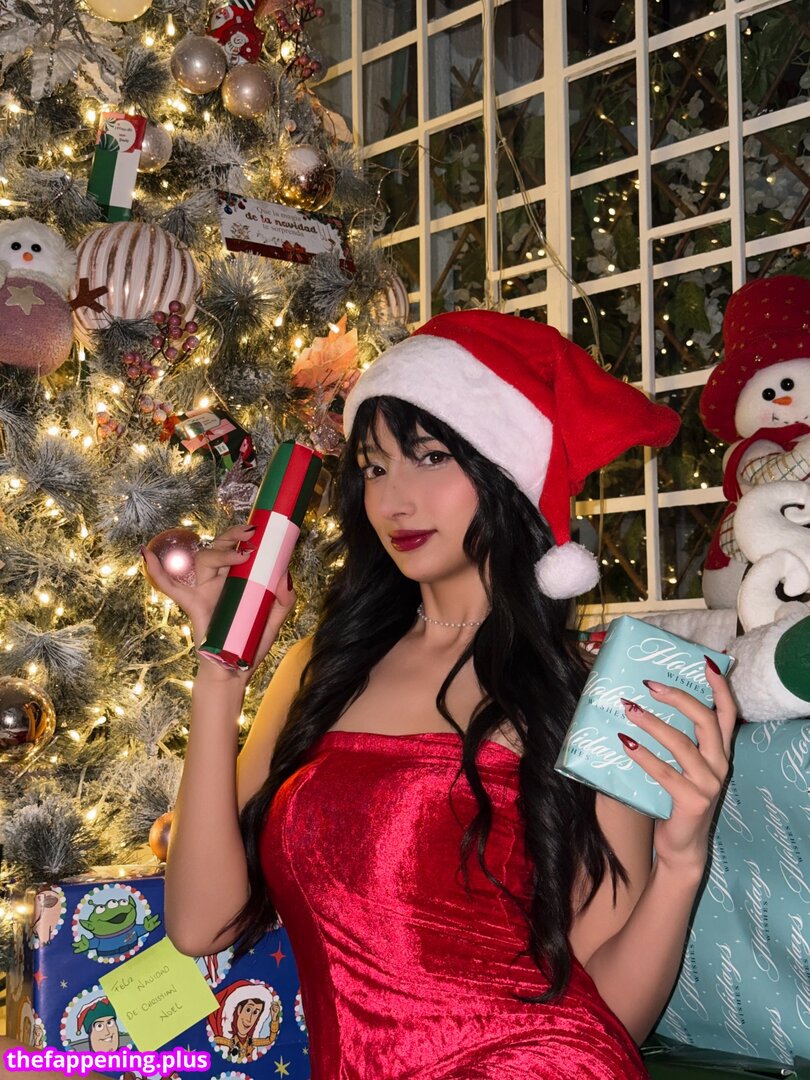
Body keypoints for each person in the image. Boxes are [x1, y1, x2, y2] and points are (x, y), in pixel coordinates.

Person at [154, 311, 736, 1079]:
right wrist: (221, 674)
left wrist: (682, 861)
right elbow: (201, 925)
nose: (394, 500)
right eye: (374, 468)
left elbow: (610, 1012)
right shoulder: (317, 670)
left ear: (506, 471)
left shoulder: (587, 697)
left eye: (430, 457)